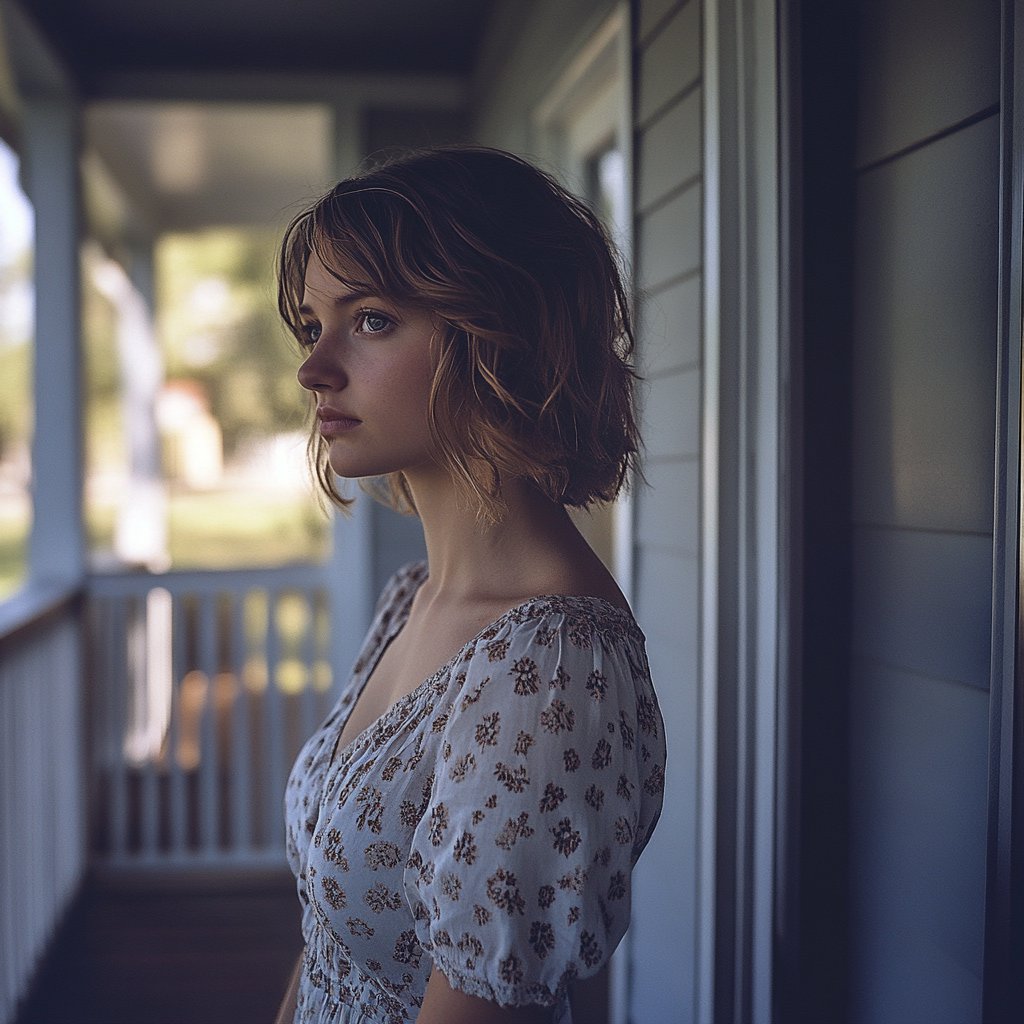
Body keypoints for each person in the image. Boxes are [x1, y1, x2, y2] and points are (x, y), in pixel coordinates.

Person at [275, 146, 666, 1024]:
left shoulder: (556, 665)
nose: (314, 369)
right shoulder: (412, 598)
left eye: (370, 319)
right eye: (311, 327)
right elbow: (329, 937)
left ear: (501, 331)